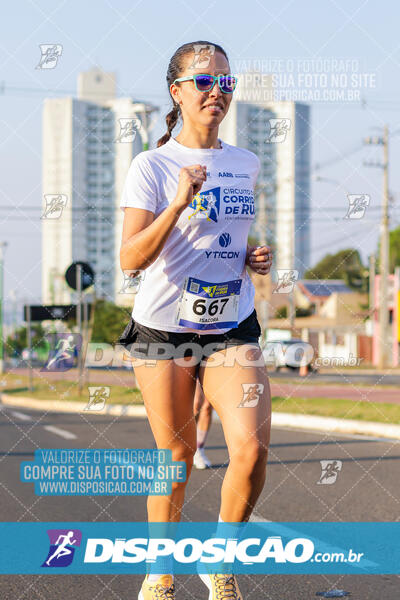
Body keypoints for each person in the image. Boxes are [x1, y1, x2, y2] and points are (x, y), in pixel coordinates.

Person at [119, 40, 273, 600]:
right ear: (177, 90)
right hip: (164, 328)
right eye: (204, 81)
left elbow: (226, 239)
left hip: (231, 323)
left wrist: (253, 255)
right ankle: (160, 573)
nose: (217, 92)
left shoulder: (245, 163)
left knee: (251, 451)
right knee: (177, 454)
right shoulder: (151, 166)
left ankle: (220, 562)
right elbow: (130, 258)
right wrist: (177, 202)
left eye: (226, 82)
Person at [193, 377, 213, 469]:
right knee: (196, 404)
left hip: (211, 363)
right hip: (189, 363)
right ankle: (186, 445)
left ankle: (198, 449)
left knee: (207, 406)